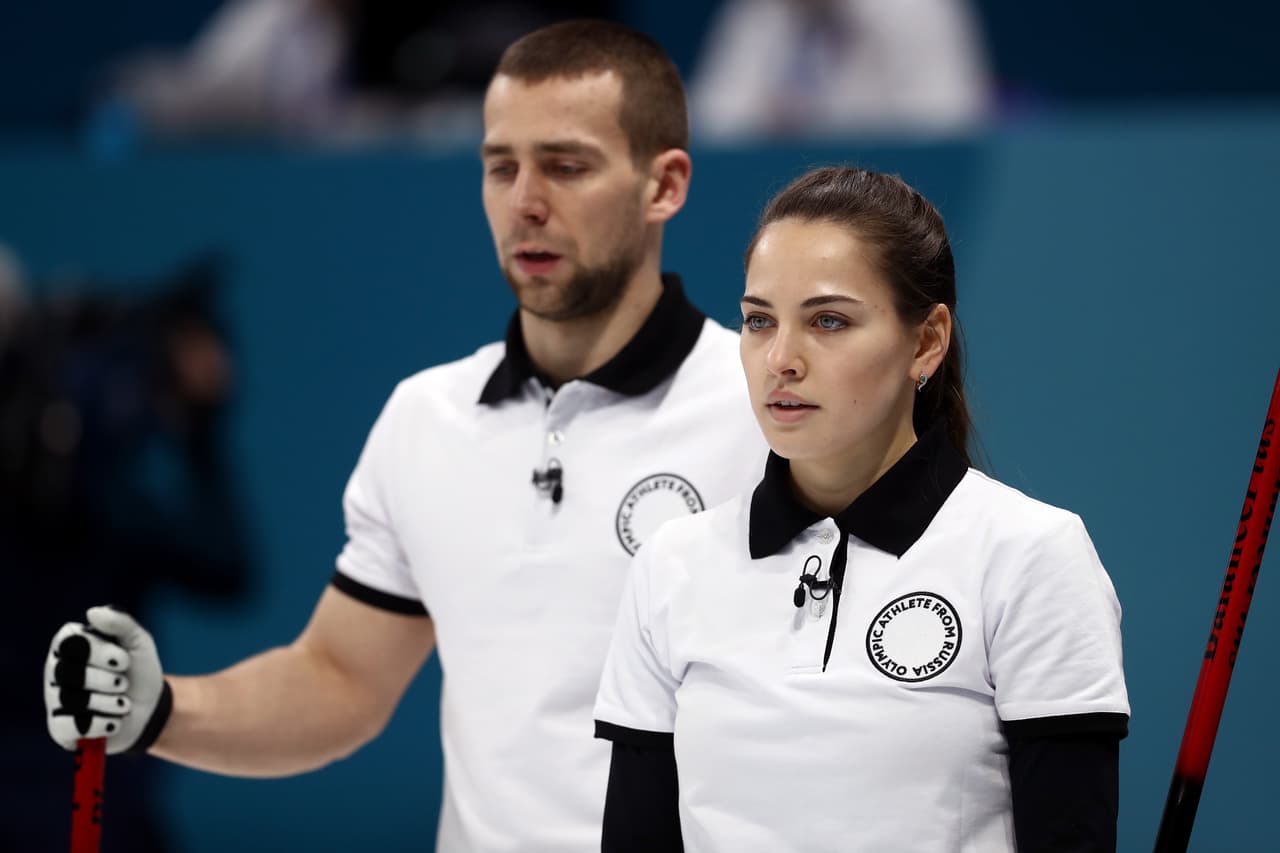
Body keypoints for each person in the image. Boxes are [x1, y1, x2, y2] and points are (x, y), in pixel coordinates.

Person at [43, 20, 765, 852]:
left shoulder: (768, 415)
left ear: (663, 185)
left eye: (566, 166)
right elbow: (340, 679)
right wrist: (162, 709)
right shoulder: (427, 420)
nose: (526, 201)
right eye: (501, 167)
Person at [593, 166, 1130, 852]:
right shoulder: (673, 563)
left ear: (926, 342)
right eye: (759, 320)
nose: (780, 359)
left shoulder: (1032, 555)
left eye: (829, 321)